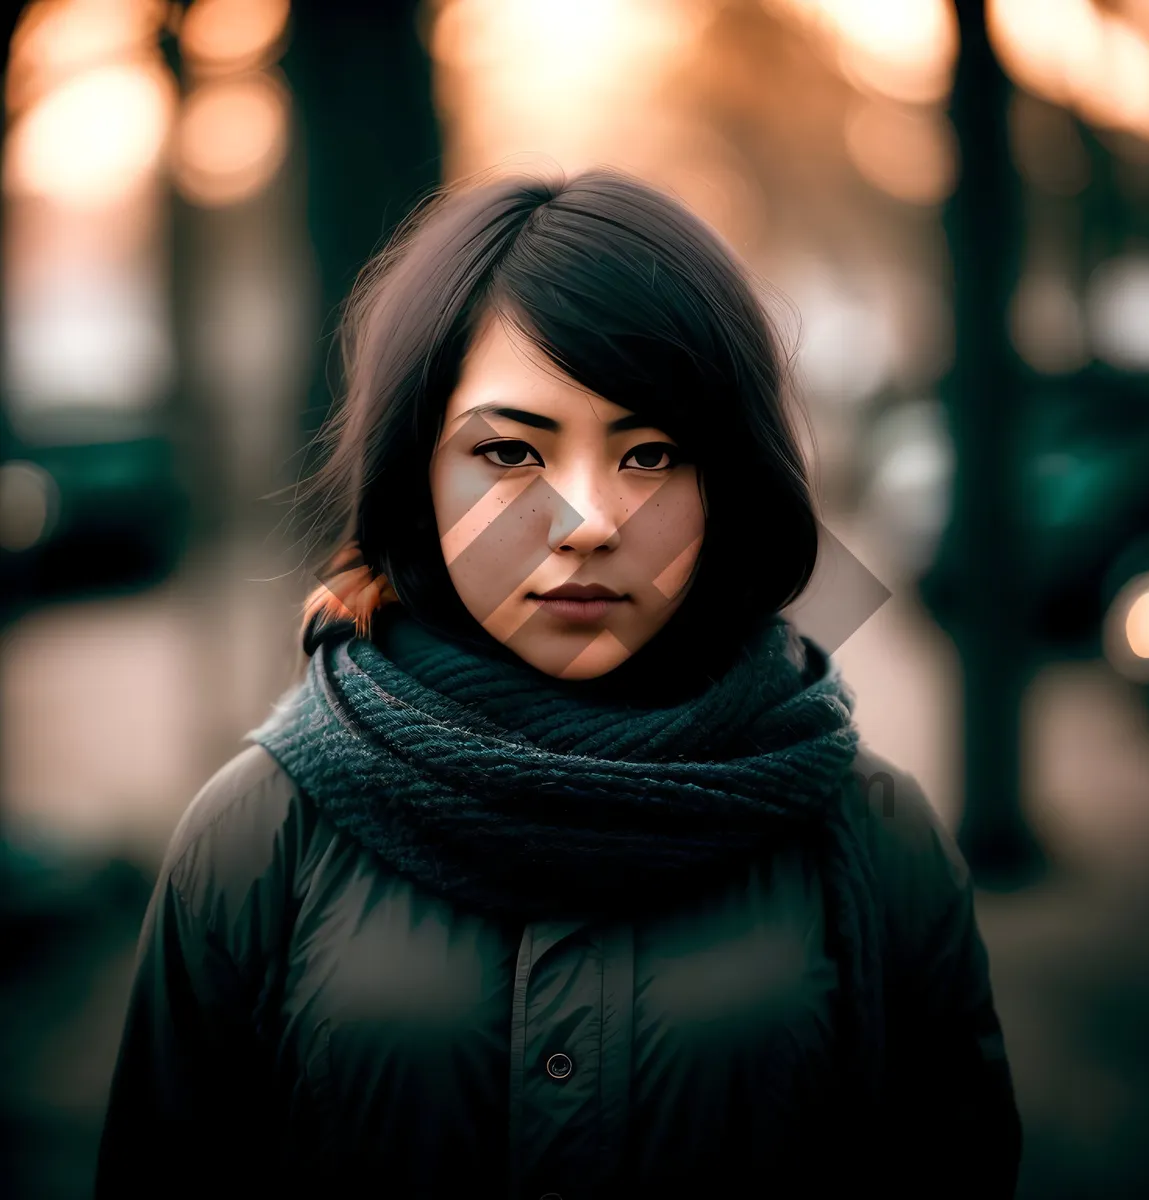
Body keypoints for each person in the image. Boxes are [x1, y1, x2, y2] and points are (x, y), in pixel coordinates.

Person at [95, 168, 1021, 1198]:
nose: (588, 519)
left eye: (653, 451)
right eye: (508, 450)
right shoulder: (255, 841)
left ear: (732, 480)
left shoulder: (873, 837)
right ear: (414, 471)